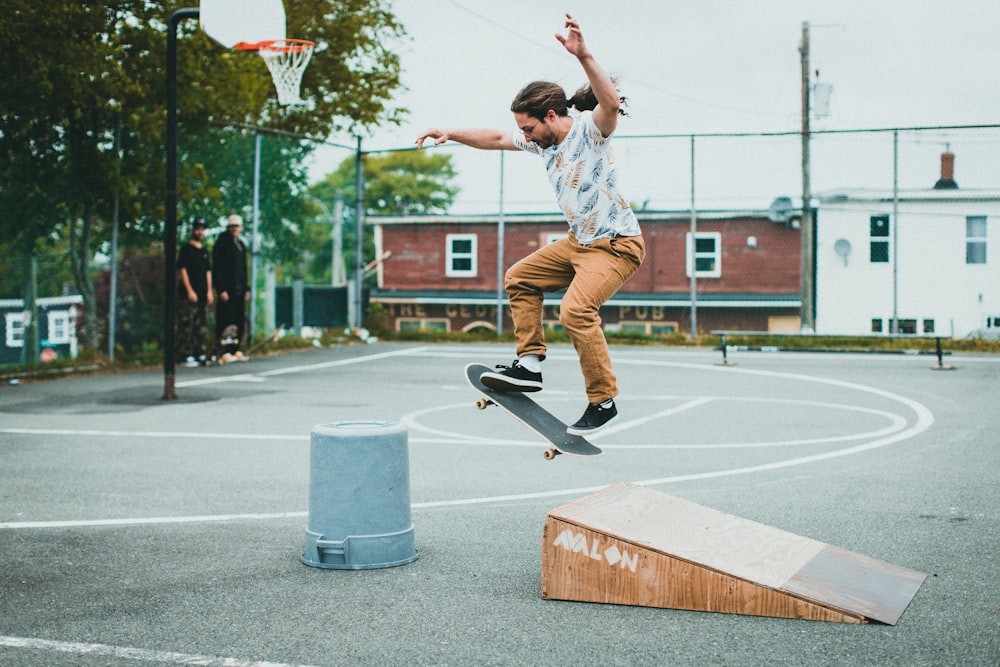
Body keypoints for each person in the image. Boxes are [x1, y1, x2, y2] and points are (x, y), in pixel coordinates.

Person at [416, 14, 645, 435]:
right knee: (519, 278)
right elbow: (497, 138)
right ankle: (530, 365)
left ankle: (603, 400)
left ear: (552, 115)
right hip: (580, 243)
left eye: (529, 128)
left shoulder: (590, 132)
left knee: (576, 310)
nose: (525, 135)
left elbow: (609, 104)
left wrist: (584, 55)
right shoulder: (542, 142)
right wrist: (451, 131)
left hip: (616, 246)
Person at [176, 218, 213, 366]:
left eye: (202, 229)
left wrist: (209, 291)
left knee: (201, 325)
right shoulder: (186, 249)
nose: (200, 232)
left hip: (203, 292)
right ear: (192, 230)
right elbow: (183, 270)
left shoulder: (204, 251)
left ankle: (200, 352)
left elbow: (208, 272)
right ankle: (186, 354)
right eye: (197, 229)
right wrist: (190, 290)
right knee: (187, 324)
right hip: (189, 294)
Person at [212, 214, 249, 359]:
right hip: (227, 289)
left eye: (237, 226)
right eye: (232, 226)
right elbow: (217, 268)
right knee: (224, 319)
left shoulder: (240, 245)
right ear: (228, 227)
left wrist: (246, 288)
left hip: (239, 288)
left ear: (241, 228)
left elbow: (243, 269)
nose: (234, 229)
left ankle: (235, 348)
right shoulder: (221, 244)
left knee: (238, 319)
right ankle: (222, 350)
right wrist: (221, 289)